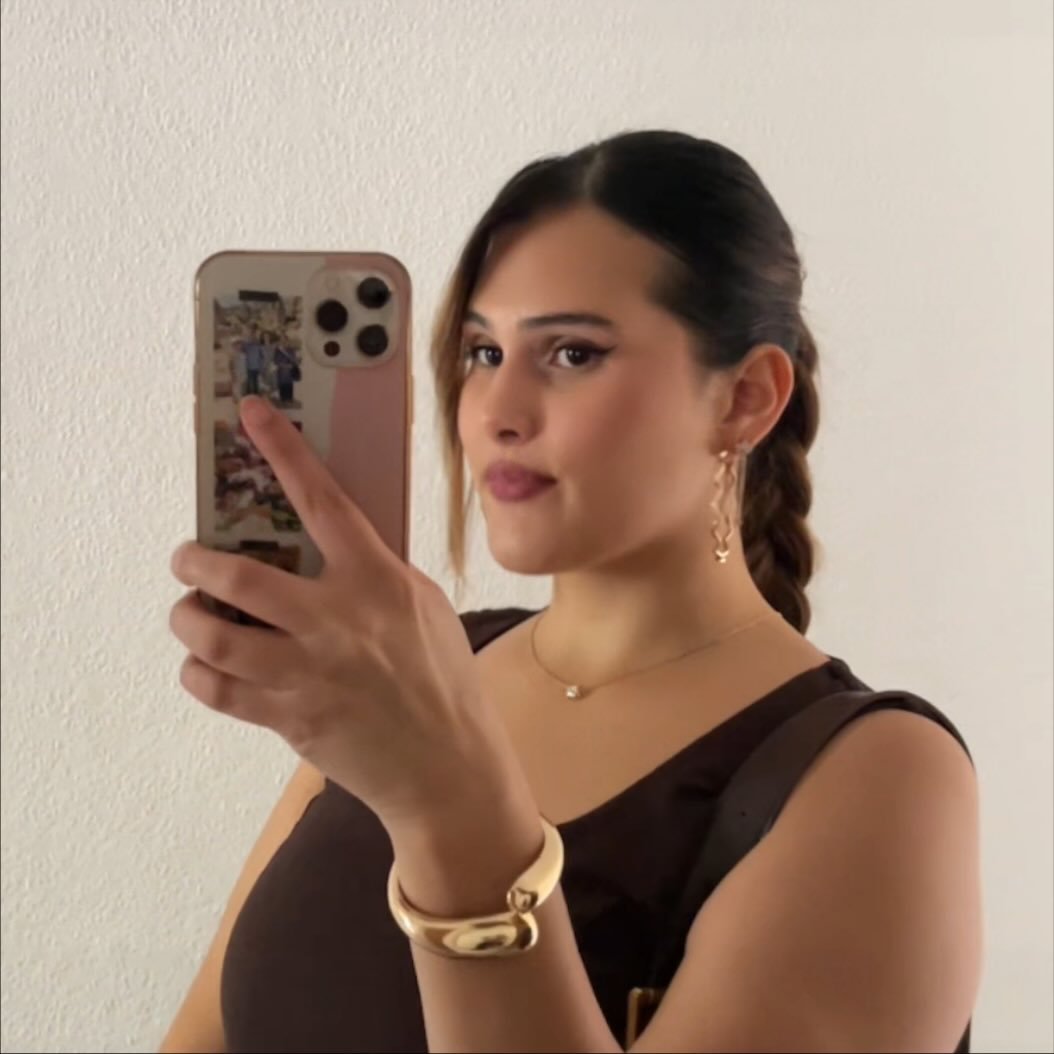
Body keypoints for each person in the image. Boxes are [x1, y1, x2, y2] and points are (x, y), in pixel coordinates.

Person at [161, 130, 982, 1053]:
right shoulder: (423, 669)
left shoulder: (882, 779)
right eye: (482, 352)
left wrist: (447, 802)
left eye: (573, 354)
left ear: (747, 396)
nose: (498, 413)